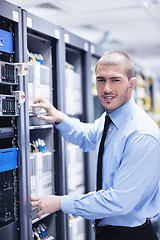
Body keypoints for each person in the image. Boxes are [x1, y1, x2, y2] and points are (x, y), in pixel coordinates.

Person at [31, 51, 160, 240]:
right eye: (100, 80)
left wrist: (61, 202)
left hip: (131, 235)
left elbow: (119, 201)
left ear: (132, 84)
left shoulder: (142, 134)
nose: (106, 88)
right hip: (108, 232)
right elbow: (87, 136)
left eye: (115, 80)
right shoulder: (109, 119)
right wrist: (59, 118)